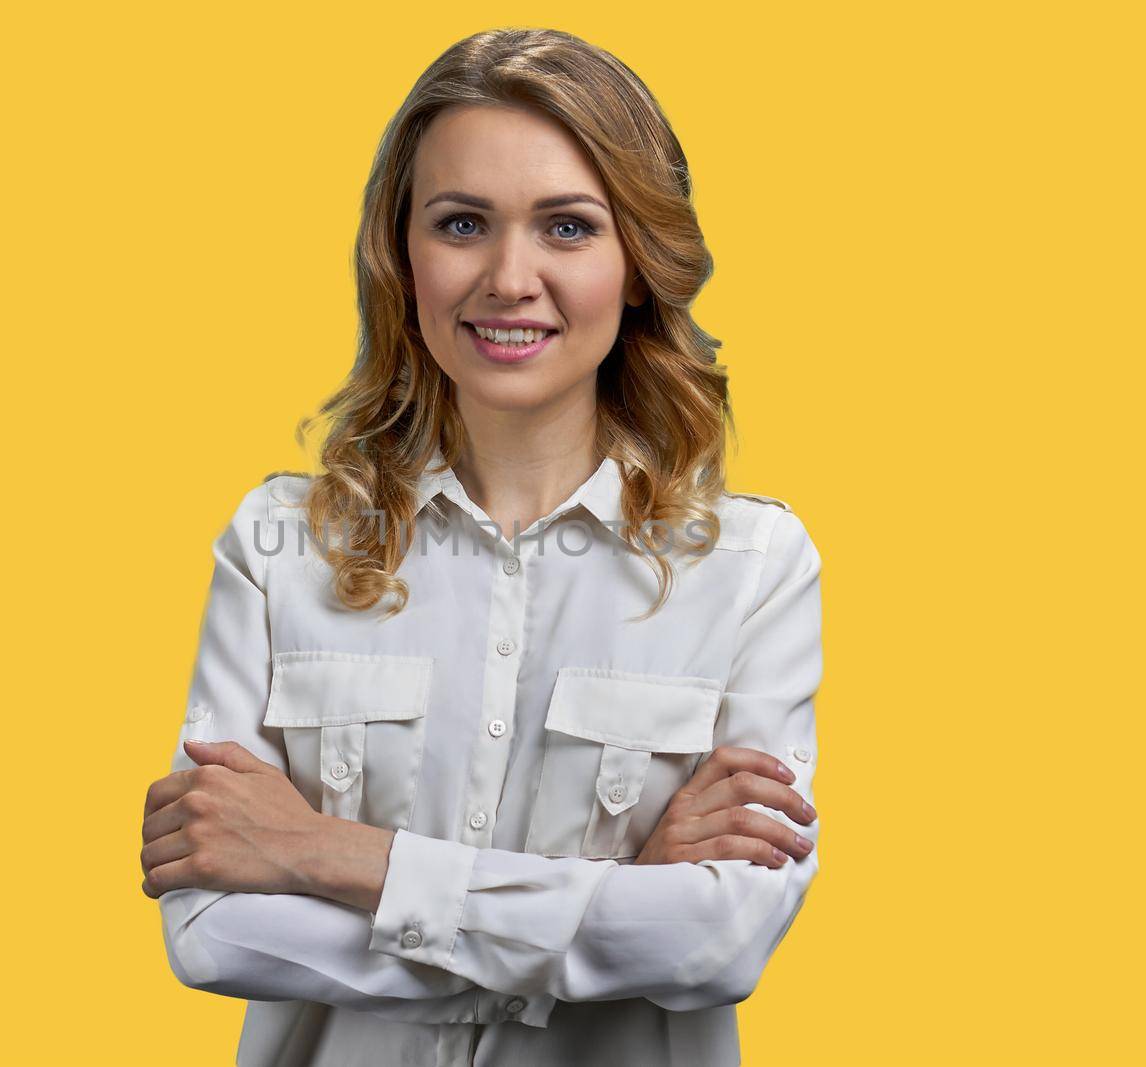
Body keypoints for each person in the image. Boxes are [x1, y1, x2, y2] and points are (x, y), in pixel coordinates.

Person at [139, 26, 823, 1067]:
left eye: (567, 228)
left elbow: (716, 942)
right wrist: (608, 912)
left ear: (637, 262)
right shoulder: (280, 547)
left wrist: (324, 850)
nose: (510, 278)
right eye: (462, 223)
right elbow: (210, 927)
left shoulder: (750, 567)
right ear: (399, 254)